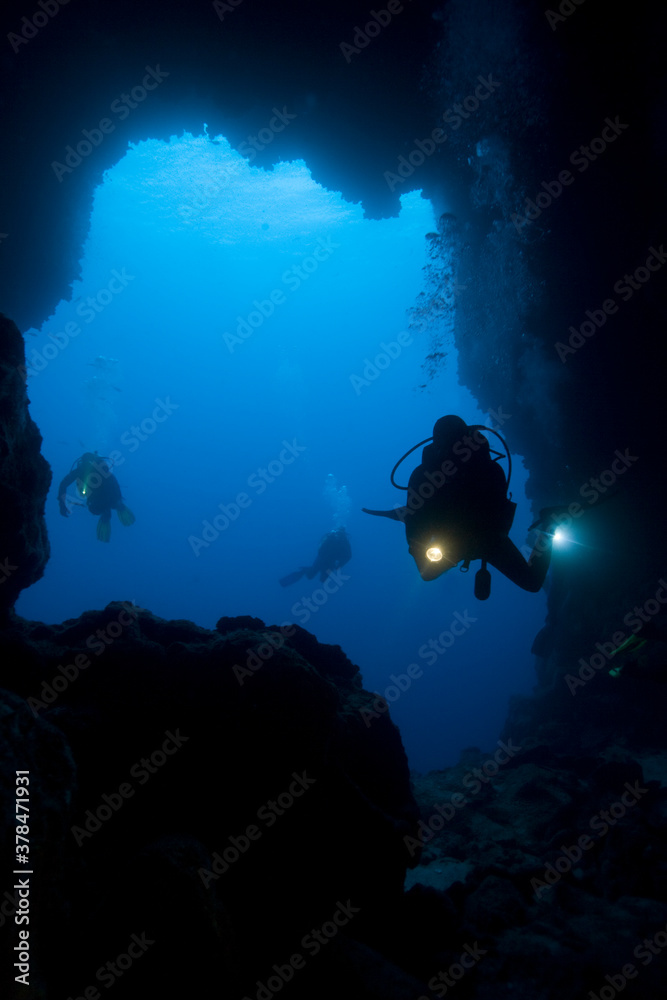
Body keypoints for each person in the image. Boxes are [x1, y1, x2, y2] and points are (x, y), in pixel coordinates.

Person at [363, 415, 565, 599]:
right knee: (427, 574)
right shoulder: (427, 475)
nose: (452, 449)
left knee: (531, 583)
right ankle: (549, 528)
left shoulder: (483, 469)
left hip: (478, 540)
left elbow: (497, 509)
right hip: (462, 543)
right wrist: (418, 546)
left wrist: (419, 543)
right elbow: (414, 518)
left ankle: (549, 528)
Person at [58, 452, 135, 542]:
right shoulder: (99, 467)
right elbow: (113, 482)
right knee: (108, 507)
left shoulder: (80, 470)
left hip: (102, 499)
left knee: (100, 510)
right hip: (111, 497)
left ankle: (109, 511)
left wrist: (62, 504)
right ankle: (115, 507)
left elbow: (63, 484)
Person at [279, 527, 351, 587]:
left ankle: (306, 570)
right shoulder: (332, 538)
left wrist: (339, 565)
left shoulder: (343, 541)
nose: (339, 535)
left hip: (328, 562)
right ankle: (304, 570)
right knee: (310, 576)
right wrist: (339, 565)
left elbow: (348, 556)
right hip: (322, 560)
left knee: (322, 580)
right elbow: (321, 549)